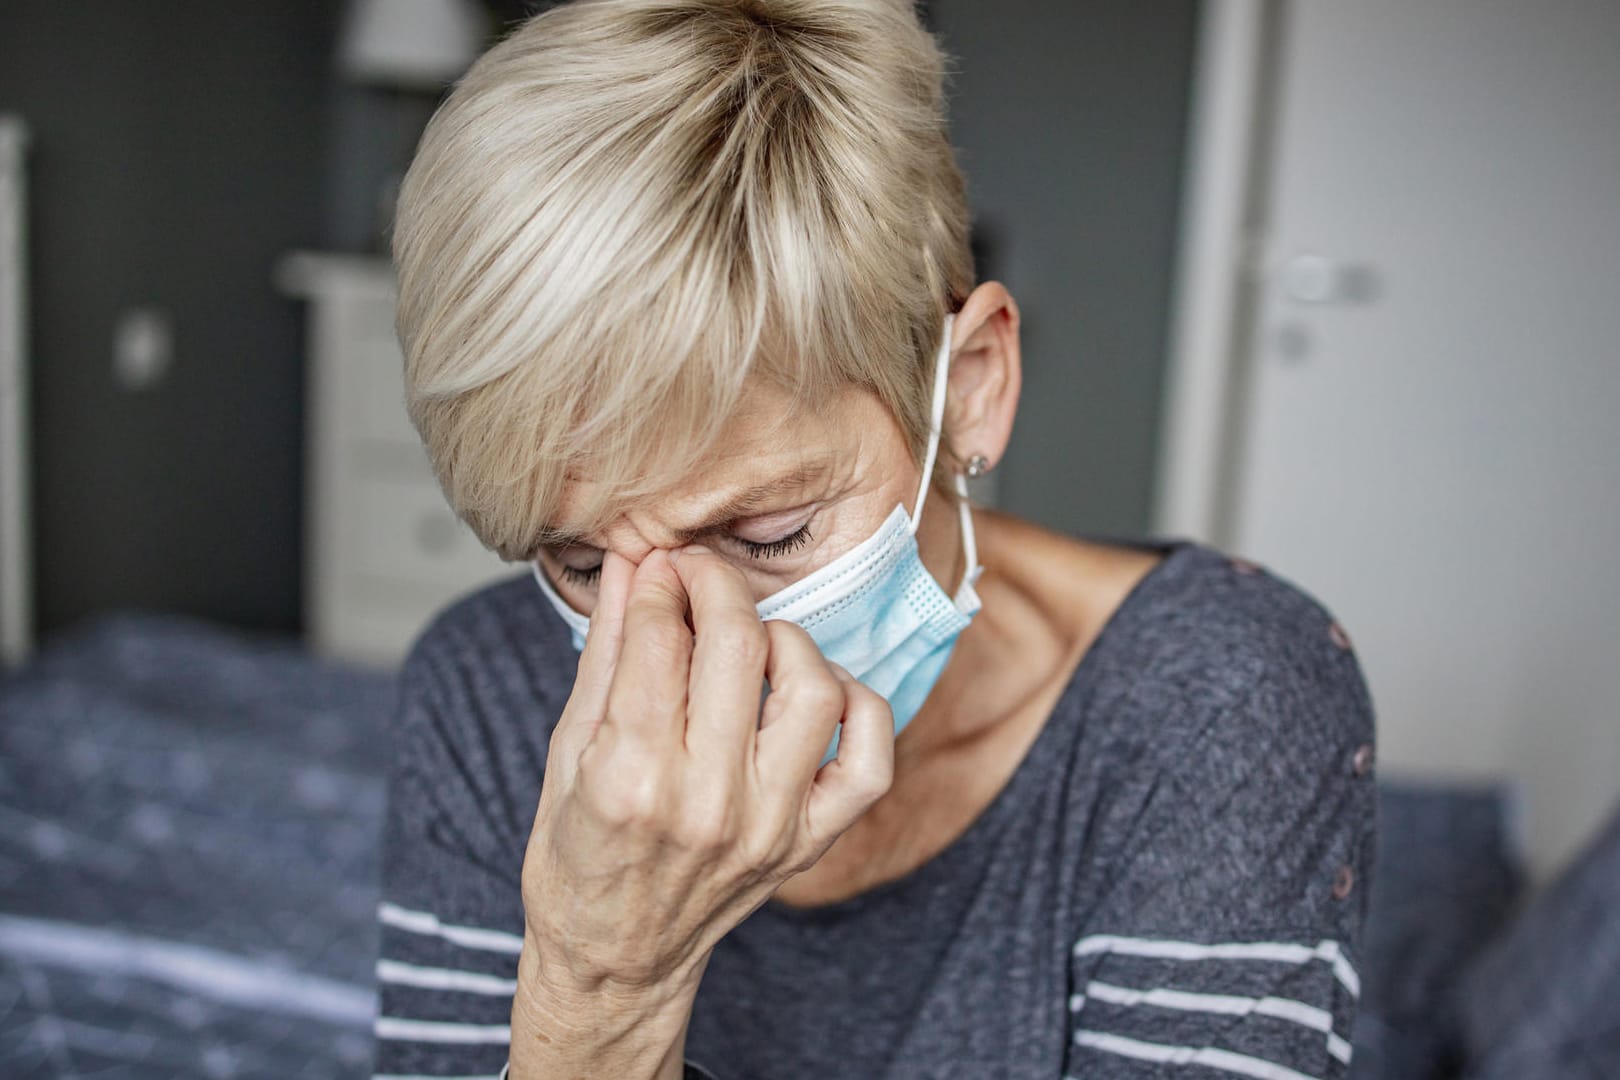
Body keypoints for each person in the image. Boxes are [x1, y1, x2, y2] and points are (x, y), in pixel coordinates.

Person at [371, 1, 1377, 1077]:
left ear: (972, 391)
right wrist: (603, 987)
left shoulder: (1223, 694)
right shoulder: (483, 691)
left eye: (771, 533)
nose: (693, 642)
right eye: (581, 562)